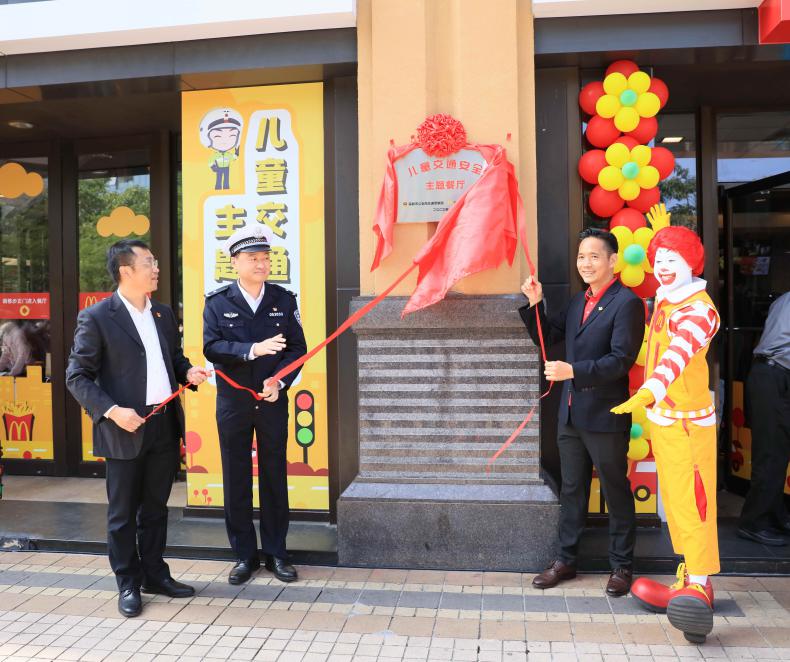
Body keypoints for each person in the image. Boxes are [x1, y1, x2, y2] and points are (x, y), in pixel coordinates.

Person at [66, 240, 210, 618]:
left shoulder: (162, 313)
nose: (156, 268)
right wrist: (113, 411)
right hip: (123, 427)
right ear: (126, 271)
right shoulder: (97, 317)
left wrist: (188, 372)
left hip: (164, 424)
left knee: (156, 508)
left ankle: (155, 574)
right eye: (149, 262)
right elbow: (77, 376)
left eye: (155, 261)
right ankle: (128, 582)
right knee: (122, 514)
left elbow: (172, 359)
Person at [520, 227, 644, 597]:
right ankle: (566, 559)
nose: (585, 263)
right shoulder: (579, 301)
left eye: (593, 256)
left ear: (613, 261)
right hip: (571, 414)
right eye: (581, 257)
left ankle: (621, 565)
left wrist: (573, 371)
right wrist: (536, 303)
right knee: (572, 489)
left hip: (605, 414)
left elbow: (620, 360)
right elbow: (547, 337)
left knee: (614, 489)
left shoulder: (627, 303)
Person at [612, 222, 720, 644]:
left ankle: (700, 586)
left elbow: (679, 352)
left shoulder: (699, 309)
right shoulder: (667, 297)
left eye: (673, 259)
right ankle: (687, 578)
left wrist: (650, 390)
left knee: (694, 502)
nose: (663, 267)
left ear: (692, 263)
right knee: (675, 503)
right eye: (658, 260)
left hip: (688, 424)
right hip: (666, 420)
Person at [203, 224, 307, 585]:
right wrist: (252, 350)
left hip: (272, 400)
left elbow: (297, 349)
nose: (262, 264)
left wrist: (279, 380)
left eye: (265, 258)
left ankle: (277, 553)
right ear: (235, 263)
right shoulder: (218, 302)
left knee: (274, 474)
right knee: (236, 477)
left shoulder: (283, 299)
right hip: (233, 403)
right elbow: (212, 347)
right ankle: (244, 555)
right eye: (253, 258)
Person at [737, 291, 790, 546]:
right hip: (775, 374)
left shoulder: (784, 298)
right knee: (771, 453)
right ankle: (753, 523)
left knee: (776, 451)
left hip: (770, 373)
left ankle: (775, 515)